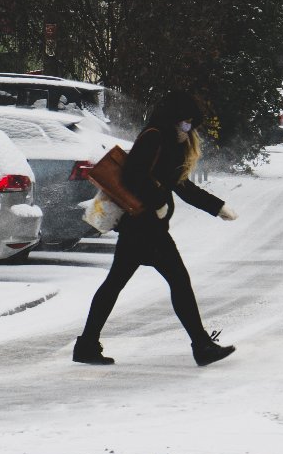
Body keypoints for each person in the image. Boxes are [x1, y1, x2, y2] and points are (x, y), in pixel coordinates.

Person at [73, 92, 239, 367]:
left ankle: (87, 345)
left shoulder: (171, 140)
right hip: (145, 227)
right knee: (178, 282)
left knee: (116, 284)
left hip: (142, 227)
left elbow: (181, 185)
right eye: (185, 121)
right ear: (173, 118)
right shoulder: (154, 137)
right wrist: (157, 203)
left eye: (191, 122)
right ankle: (201, 346)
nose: (188, 127)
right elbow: (133, 176)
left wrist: (217, 207)